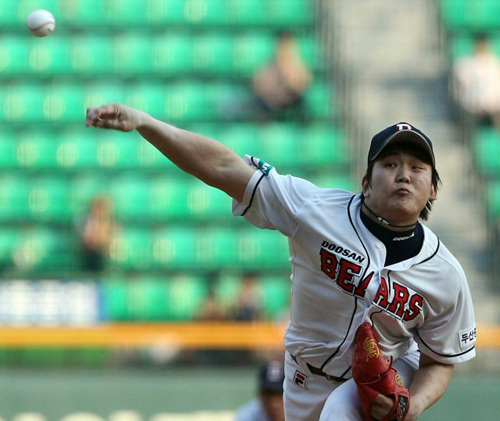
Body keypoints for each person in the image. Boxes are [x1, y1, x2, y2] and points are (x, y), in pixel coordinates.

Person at [85, 104, 477, 420]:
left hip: (383, 379)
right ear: (366, 180)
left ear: (433, 191)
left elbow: (440, 361)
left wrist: (415, 404)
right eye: (390, 165)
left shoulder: (446, 275)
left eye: (416, 168)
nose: (403, 176)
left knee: (342, 410)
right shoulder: (315, 211)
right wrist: (146, 123)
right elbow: (224, 168)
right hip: (304, 380)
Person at [251, 32, 312, 122]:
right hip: (269, 104)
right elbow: (258, 84)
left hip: (293, 103)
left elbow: (303, 83)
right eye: (283, 46)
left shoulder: (297, 65)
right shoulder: (268, 66)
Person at [451, 33, 500, 129]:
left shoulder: (494, 63)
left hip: (493, 106)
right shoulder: (465, 64)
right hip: (472, 106)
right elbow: (460, 87)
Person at [78, 195, 115, 273]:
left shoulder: (111, 224)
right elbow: (87, 241)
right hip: (87, 259)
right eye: (98, 208)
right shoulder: (86, 222)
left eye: (102, 209)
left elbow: (110, 243)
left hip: (104, 260)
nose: (100, 212)